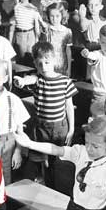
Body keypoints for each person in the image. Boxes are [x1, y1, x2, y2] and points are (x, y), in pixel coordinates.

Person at [14, 42, 77, 184]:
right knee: (37, 154)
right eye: (39, 63)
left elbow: (69, 106)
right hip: (41, 126)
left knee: (57, 157)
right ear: (35, 64)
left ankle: (54, 181)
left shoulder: (65, 81)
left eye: (47, 62)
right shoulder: (38, 79)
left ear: (54, 60)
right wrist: (22, 81)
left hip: (59, 127)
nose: (44, 67)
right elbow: (30, 79)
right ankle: (40, 177)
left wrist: (71, 128)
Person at [0, 58, 31, 184]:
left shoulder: (13, 100)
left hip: (7, 142)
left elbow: (19, 130)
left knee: (4, 177)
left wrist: (18, 151)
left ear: (5, 79)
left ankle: (2, 202)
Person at [9, 0, 41, 65]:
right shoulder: (16, 7)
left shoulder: (33, 8)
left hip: (31, 35)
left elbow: (37, 24)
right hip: (20, 35)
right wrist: (10, 42)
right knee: (21, 59)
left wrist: (37, 39)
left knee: (32, 58)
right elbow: (12, 25)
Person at [40, 2, 73, 76]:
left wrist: (69, 69)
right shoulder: (46, 30)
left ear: (62, 16)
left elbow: (68, 50)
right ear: (48, 16)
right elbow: (42, 49)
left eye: (57, 16)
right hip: (49, 65)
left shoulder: (67, 31)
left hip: (62, 65)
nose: (54, 19)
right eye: (52, 16)